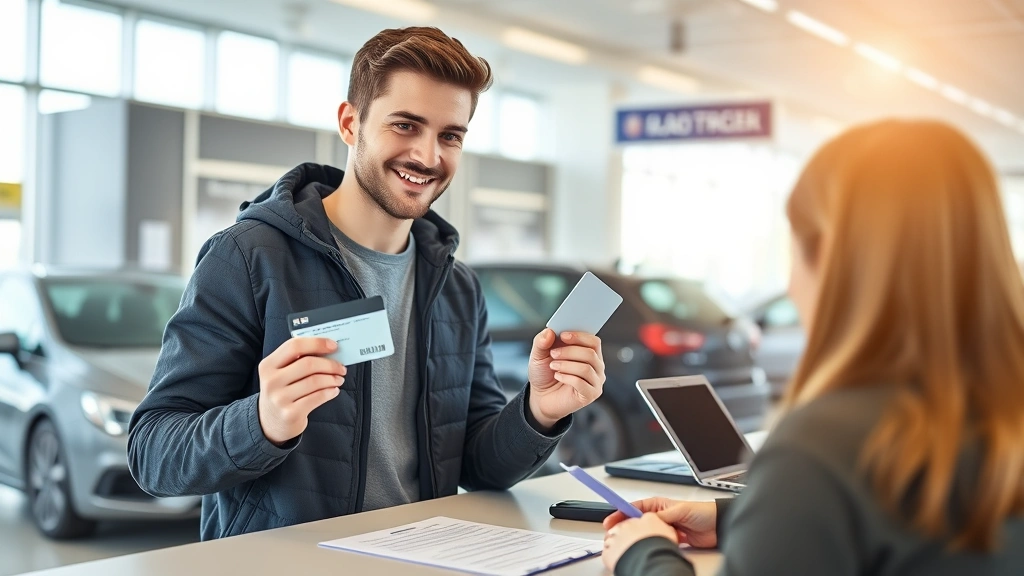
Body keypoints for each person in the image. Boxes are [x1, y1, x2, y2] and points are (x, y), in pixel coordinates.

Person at [127, 27, 607, 540]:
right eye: (405, 125)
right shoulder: (248, 257)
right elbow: (153, 453)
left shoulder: (456, 287)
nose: (427, 156)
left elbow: (477, 466)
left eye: (450, 135)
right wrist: (261, 422)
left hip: (422, 557)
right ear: (350, 123)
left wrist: (539, 411)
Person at [602, 120, 1024, 575]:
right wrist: (744, 521)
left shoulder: (825, 447)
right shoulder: (996, 415)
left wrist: (643, 555)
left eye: (795, 252)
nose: (791, 284)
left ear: (831, 257)